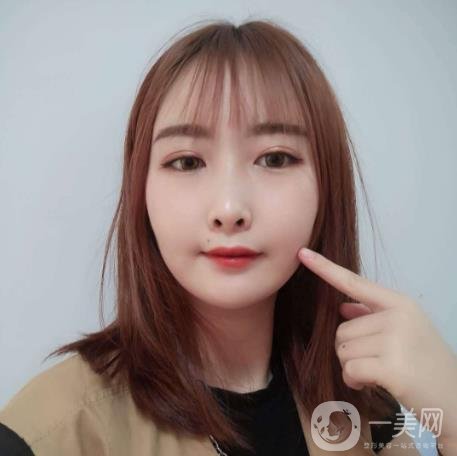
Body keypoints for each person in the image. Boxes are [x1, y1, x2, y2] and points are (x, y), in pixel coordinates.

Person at [1, 18, 455, 456]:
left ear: (326, 189)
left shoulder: (364, 403)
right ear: (141, 194)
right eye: (187, 162)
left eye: (275, 159)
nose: (229, 209)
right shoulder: (48, 435)